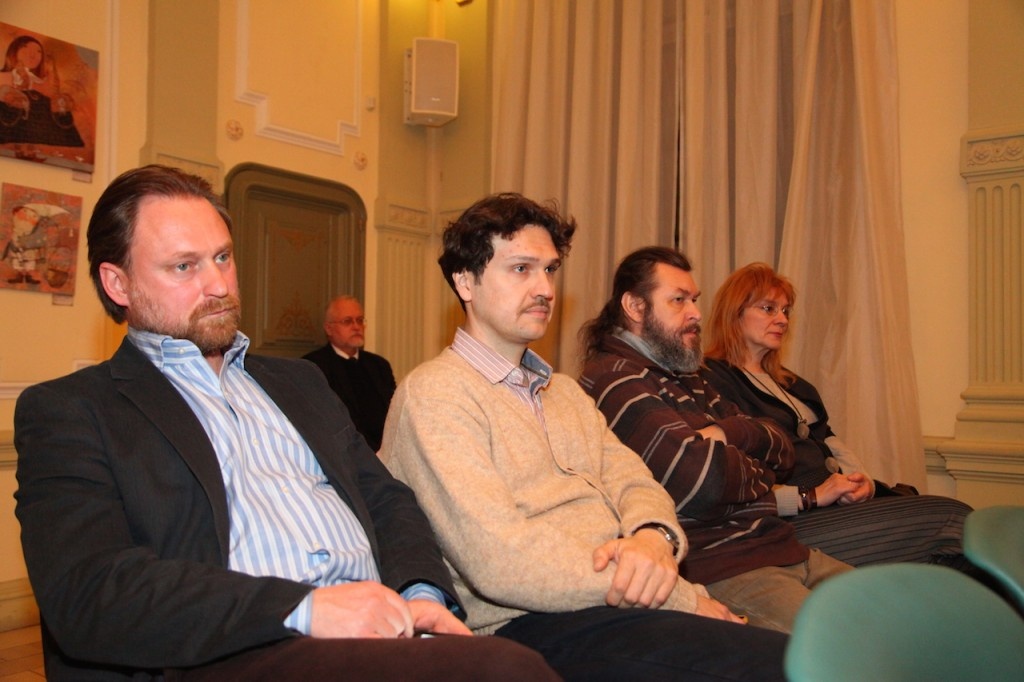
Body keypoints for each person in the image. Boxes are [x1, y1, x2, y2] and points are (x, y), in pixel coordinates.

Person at [13, 165, 559, 681]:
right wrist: (306, 608)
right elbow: (90, 591)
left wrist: (420, 593)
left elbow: (387, 499)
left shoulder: (299, 382)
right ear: (118, 284)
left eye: (223, 257)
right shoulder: (73, 411)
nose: (219, 284)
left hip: (381, 629)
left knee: (583, 648)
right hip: (232, 650)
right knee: (504, 671)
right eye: (184, 266)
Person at [381, 193, 789, 680]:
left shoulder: (566, 393)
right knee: (788, 666)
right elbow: (500, 560)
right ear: (465, 281)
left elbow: (636, 483)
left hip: (623, 605)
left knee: (809, 657)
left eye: (550, 270)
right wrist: (678, 595)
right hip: (530, 624)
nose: (544, 289)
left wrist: (654, 537)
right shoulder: (435, 394)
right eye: (521, 269)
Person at [578, 246, 852, 633]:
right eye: (679, 300)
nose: (695, 313)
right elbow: (703, 482)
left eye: (694, 299)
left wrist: (726, 433)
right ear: (635, 307)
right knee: (855, 648)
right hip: (724, 566)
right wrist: (749, 463)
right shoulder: (613, 378)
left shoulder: (689, 376)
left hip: (782, 547)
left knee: (908, 623)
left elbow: (783, 450)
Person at [703, 262, 972, 567]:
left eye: (786, 311)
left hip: (836, 507)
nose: (782, 319)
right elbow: (727, 478)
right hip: (789, 521)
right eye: (769, 309)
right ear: (735, 313)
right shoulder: (711, 379)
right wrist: (810, 494)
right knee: (954, 520)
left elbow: (831, 443)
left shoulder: (793, 384)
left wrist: (863, 484)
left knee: (954, 552)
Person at [303, 296, 396, 451]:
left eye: (360, 320)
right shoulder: (313, 366)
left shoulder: (379, 365)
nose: (356, 327)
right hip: (342, 452)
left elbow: (393, 413)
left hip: (385, 451)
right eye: (347, 321)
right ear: (329, 329)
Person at [0, 35, 84, 147]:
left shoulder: (44, 83)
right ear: (14, 51)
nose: (33, 55)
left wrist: (62, 103)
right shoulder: (4, 77)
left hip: (44, 134)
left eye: (38, 51)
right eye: (25, 49)